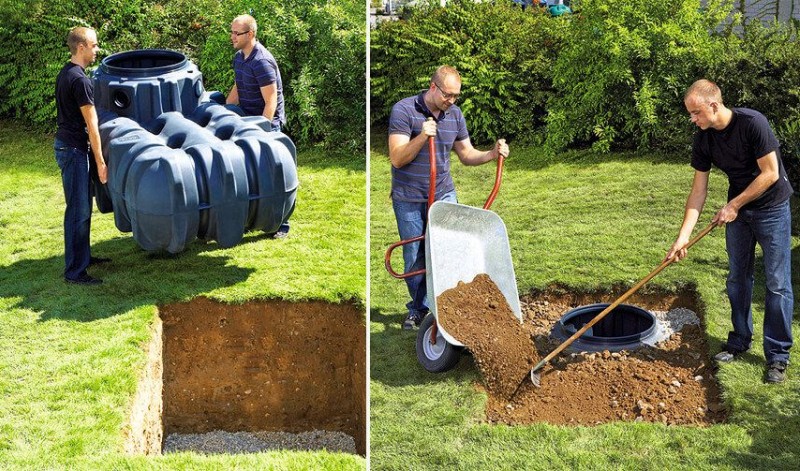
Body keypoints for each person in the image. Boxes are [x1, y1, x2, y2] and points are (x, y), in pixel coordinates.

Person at [665, 79, 793, 383]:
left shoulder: (752, 123)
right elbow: (698, 192)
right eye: (690, 115)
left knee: (776, 284)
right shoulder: (704, 137)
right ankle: (739, 340)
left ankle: (777, 356)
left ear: (713, 105)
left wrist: (734, 205)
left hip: (772, 209)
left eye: (696, 113)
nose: (693, 120)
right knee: (737, 278)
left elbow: (771, 173)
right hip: (739, 212)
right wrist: (682, 237)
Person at [388, 66, 510, 330]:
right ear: (433, 87)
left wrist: (491, 154)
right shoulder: (403, 110)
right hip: (409, 197)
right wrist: (423, 136)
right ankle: (419, 309)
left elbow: (466, 155)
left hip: (443, 194)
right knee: (414, 256)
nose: (452, 101)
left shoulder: (454, 115)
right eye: (448, 95)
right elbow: (397, 158)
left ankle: (450, 307)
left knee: (450, 251)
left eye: (456, 96)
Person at [54, 26, 111, 286]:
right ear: (81, 47)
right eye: (94, 45)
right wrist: (100, 162)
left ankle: (83, 257)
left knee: (82, 209)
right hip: (74, 150)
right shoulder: (79, 80)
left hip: (70, 147)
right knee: (78, 211)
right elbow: (92, 124)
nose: (97, 50)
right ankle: (75, 272)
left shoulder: (67, 73)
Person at [225, 14, 290, 238]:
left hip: (267, 123)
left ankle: (282, 224)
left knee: (272, 174)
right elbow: (238, 86)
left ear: (250, 34)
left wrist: (262, 130)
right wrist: (224, 110)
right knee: (248, 172)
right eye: (231, 32)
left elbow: (271, 99)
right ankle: (251, 216)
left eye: (236, 33)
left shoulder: (261, 61)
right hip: (247, 120)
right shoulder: (239, 58)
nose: (232, 36)